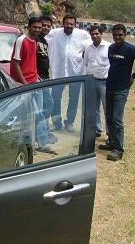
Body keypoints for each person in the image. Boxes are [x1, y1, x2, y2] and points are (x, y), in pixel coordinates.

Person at [99, 23, 135, 161]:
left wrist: (134, 76)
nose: (117, 37)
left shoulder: (130, 49)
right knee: (109, 116)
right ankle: (111, 142)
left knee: (117, 119)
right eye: (115, 35)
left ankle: (118, 149)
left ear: (125, 35)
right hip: (109, 86)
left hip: (121, 89)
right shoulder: (111, 48)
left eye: (120, 35)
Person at [10, 16, 57, 154]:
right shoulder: (21, 40)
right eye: (35, 27)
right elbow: (16, 64)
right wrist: (24, 84)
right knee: (34, 114)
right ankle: (38, 144)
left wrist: (36, 77)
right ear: (28, 27)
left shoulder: (35, 41)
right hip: (24, 84)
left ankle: (37, 143)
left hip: (34, 81)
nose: (37, 30)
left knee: (38, 113)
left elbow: (31, 62)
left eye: (39, 27)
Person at [46, 14, 90, 132]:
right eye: (67, 23)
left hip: (75, 72)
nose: (69, 26)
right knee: (55, 97)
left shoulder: (83, 35)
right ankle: (56, 123)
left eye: (72, 24)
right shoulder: (55, 33)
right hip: (59, 72)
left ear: (75, 24)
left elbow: (91, 46)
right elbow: (42, 40)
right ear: (62, 23)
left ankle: (69, 122)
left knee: (74, 99)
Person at [82, 25, 110, 138]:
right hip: (92, 81)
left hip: (105, 82)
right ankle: (97, 129)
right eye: (92, 34)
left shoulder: (109, 47)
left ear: (101, 34)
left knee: (107, 109)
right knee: (94, 108)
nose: (95, 36)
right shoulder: (88, 48)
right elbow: (86, 63)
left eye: (97, 33)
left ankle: (110, 134)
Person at [35, 15, 57, 143]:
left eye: (48, 26)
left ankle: (42, 133)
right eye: (44, 25)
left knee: (47, 104)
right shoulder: (35, 40)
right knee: (41, 108)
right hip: (38, 79)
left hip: (45, 77)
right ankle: (41, 136)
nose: (46, 28)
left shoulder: (44, 41)